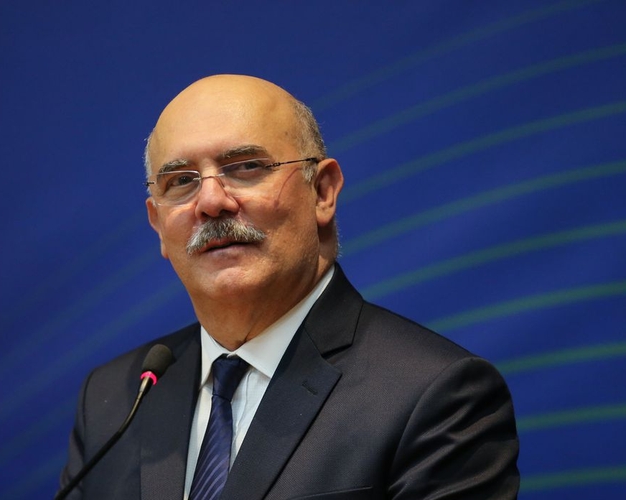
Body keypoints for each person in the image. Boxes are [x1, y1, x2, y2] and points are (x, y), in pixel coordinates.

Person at [59, 74, 520, 499]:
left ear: (322, 192)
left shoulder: (435, 394)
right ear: (158, 224)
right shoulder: (114, 399)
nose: (212, 202)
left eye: (245, 167)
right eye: (181, 181)